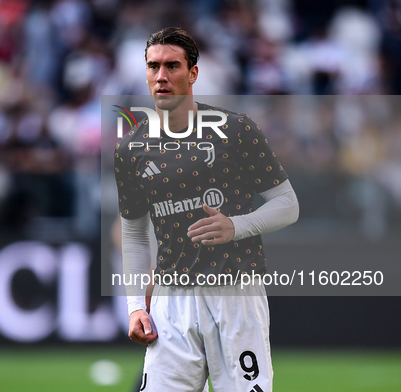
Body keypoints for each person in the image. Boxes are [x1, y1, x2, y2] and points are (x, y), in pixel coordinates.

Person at [114, 27, 299, 392]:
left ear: (194, 73)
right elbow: (135, 236)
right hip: (171, 301)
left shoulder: (236, 130)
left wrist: (237, 226)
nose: (161, 76)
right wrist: (137, 305)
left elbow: (287, 205)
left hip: (235, 295)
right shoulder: (130, 149)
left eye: (172, 66)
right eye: (153, 67)